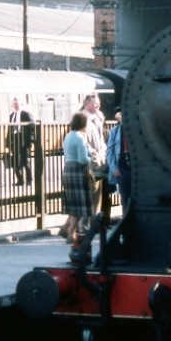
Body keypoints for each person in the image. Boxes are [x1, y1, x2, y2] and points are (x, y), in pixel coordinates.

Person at [62, 112, 93, 244]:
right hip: (78, 171)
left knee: (73, 203)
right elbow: (83, 159)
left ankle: (64, 228)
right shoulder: (81, 138)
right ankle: (71, 234)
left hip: (68, 169)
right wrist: (91, 156)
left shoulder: (68, 136)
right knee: (80, 206)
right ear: (83, 124)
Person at [81, 93, 111, 227]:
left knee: (99, 195)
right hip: (92, 162)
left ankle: (96, 223)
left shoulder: (97, 117)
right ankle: (88, 225)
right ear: (87, 103)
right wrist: (94, 155)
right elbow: (86, 141)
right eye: (95, 103)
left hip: (100, 160)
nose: (98, 105)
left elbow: (100, 139)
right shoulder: (84, 118)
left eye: (98, 103)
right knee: (92, 195)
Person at [106, 107, 131, 214]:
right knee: (124, 198)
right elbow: (109, 152)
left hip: (135, 169)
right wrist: (114, 168)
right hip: (122, 169)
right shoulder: (114, 132)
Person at [5, 97, 35, 186]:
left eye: (17, 103)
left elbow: (32, 127)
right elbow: (9, 129)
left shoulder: (26, 114)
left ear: (21, 104)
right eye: (14, 104)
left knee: (25, 161)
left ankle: (29, 180)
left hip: (23, 140)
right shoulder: (11, 115)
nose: (16, 105)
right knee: (15, 162)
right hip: (14, 140)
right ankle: (20, 180)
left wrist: (30, 140)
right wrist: (8, 143)